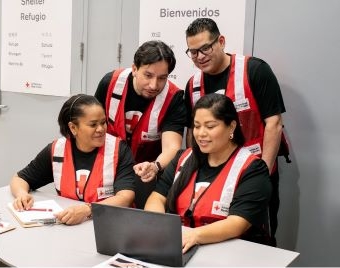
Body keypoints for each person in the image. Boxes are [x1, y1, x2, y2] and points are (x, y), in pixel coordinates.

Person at [183, 17, 288, 238]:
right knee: (209, 234)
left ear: (221, 41)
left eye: (205, 48)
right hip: (212, 177)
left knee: (257, 240)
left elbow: (274, 124)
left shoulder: (255, 70)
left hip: (253, 172)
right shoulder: (192, 86)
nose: (200, 56)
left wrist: (262, 176)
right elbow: (192, 134)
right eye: (193, 52)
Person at [145, 93, 272, 252]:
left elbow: (238, 223)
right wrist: (160, 225)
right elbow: (157, 197)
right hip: (180, 247)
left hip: (231, 253)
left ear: (231, 127)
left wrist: (194, 236)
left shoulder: (253, 168)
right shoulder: (184, 158)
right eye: (197, 126)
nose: (201, 134)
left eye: (210, 126)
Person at [10, 94, 137, 226]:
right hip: (70, 227)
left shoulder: (119, 150)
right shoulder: (57, 150)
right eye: (93, 124)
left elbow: (125, 197)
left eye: (103, 122)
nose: (101, 129)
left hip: (110, 224)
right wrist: (22, 194)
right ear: (73, 128)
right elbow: (20, 178)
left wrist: (87, 210)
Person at [94, 40, 186, 208]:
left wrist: (155, 166)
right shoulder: (110, 83)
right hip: (108, 169)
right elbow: (91, 126)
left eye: (162, 78)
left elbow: (172, 147)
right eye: (148, 75)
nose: (154, 85)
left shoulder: (175, 98)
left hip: (147, 174)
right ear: (135, 69)